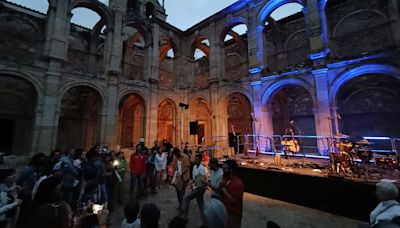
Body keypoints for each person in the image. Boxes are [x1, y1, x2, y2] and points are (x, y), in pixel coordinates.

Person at [180, 154, 206, 221]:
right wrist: (192, 184)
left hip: (199, 187)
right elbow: (194, 178)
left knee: (186, 197)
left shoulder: (202, 168)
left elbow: (201, 180)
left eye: (197, 159)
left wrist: (195, 184)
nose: (195, 160)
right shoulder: (194, 167)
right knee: (200, 203)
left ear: (200, 160)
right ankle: (204, 218)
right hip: (195, 186)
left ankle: (184, 216)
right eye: (195, 159)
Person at [219, 159, 244, 228]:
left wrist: (223, 188)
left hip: (234, 214)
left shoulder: (238, 183)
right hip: (224, 211)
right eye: (222, 168)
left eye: (224, 169)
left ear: (231, 170)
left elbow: (233, 201)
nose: (222, 171)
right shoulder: (225, 179)